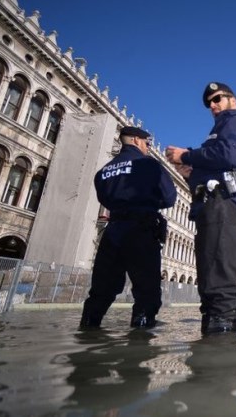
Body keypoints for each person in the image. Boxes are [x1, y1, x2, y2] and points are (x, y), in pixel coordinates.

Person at [165, 81, 236, 334]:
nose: (213, 106)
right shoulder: (218, 130)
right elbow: (218, 163)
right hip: (210, 206)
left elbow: (228, 155)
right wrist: (189, 172)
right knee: (208, 282)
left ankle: (221, 353)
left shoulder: (235, 122)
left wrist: (186, 155)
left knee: (219, 279)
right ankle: (209, 348)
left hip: (223, 205)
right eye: (210, 104)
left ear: (233, 100)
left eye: (217, 99)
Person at [80, 126, 176, 329]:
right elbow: (169, 198)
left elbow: (103, 198)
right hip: (141, 230)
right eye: (147, 143)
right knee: (146, 292)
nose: (149, 148)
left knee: (101, 290)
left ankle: (88, 329)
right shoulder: (149, 165)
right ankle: (140, 341)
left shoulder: (103, 172)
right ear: (135, 140)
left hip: (112, 232)